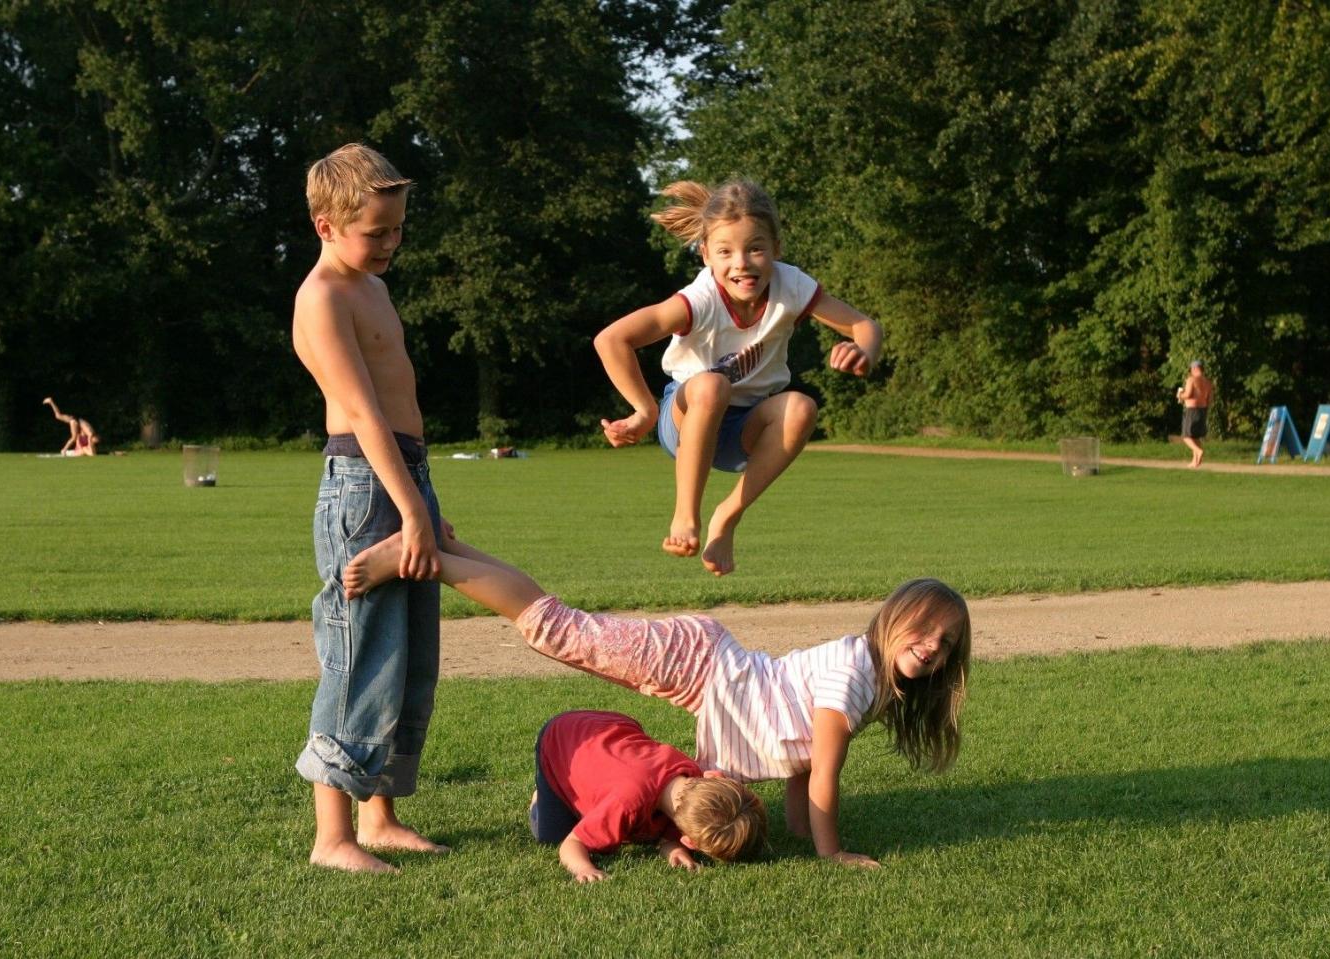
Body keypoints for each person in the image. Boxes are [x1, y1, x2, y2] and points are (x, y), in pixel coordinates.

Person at [343, 534, 971, 868]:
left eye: (945, 645)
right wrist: (832, 853)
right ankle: (425, 559)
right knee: (557, 628)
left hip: (705, 663)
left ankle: (454, 547)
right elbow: (825, 776)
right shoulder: (854, 679)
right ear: (893, 618)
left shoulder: (866, 671)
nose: (933, 647)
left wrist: (800, 834)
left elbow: (801, 764)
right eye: (925, 629)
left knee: (566, 625)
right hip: (699, 664)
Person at [291, 143, 453, 873]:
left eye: (397, 229)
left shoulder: (372, 286)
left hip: (402, 476)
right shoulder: (322, 297)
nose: (390, 243)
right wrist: (408, 511)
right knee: (360, 652)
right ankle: (333, 838)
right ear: (326, 224)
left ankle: (379, 815)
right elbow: (359, 411)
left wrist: (425, 504)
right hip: (364, 487)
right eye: (375, 232)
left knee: (410, 656)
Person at [593, 179, 884, 577]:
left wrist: (864, 351)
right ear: (706, 256)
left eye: (756, 248)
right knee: (713, 386)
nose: (741, 263)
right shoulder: (700, 301)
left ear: (776, 249)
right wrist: (643, 409)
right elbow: (612, 339)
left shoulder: (792, 287)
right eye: (725, 252)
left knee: (801, 407)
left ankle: (727, 516)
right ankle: (685, 514)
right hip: (684, 419)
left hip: (743, 429)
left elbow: (864, 325)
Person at [530, 709, 768, 882]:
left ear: (713, 777)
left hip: (612, 726)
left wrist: (673, 850)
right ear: (690, 840)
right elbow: (572, 844)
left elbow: (666, 834)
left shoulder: (691, 776)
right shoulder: (627, 804)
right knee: (553, 836)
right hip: (560, 740)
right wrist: (584, 868)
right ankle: (541, 798)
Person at [1176, 359, 1215, 468]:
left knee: (1186, 436)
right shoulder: (1208, 382)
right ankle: (1196, 461)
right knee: (1195, 436)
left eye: (1191, 369)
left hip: (1192, 409)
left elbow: (1188, 395)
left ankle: (1198, 451)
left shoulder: (1191, 379)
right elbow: (1210, 399)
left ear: (1194, 368)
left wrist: (1180, 395)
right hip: (1203, 410)